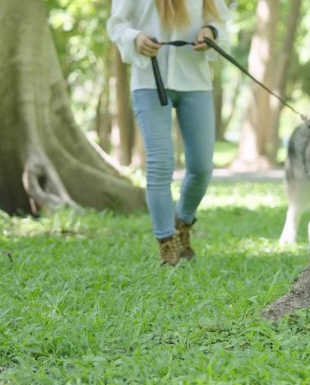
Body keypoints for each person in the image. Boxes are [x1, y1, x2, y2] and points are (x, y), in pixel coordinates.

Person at [107, 0, 231, 266]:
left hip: (196, 82)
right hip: (149, 83)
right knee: (160, 164)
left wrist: (210, 32)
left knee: (201, 167)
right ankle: (166, 242)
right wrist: (135, 38)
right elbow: (117, 24)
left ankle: (182, 221)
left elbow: (222, 22)